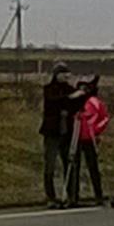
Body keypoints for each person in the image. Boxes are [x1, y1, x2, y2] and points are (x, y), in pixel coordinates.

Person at [39, 62, 87, 208]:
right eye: (62, 73)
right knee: (50, 165)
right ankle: (51, 197)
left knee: (71, 163)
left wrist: (83, 92)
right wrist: (71, 97)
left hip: (67, 131)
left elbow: (78, 104)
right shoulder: (49, 89)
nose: (65, 76)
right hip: (52, 132)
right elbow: (56, 101)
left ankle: (72, 196)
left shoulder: (69, 89)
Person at [66, 75, 114, 208]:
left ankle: (99, 195)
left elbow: (104, 118)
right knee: (74, 166)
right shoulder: (76, 101)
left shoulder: (94, 102)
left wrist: (95, 130)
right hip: (76, 136)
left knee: (93, 167)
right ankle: (73, 196)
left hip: (90, 137)